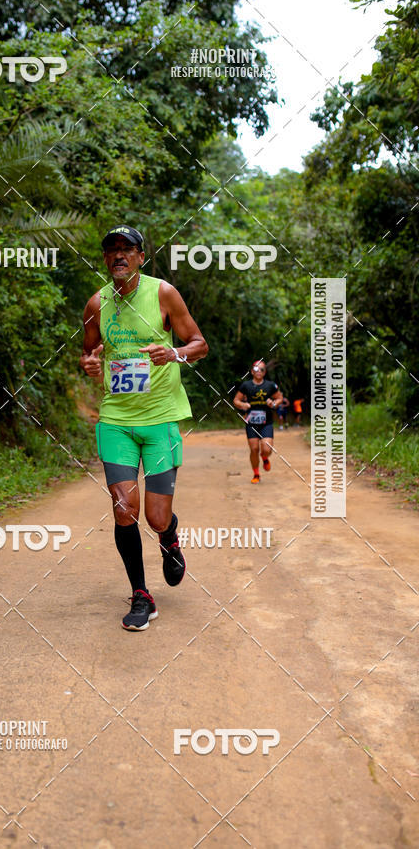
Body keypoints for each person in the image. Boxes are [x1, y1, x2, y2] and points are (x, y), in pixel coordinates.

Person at [80, 225, 208, 631]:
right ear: (105, 259)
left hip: (160, 420)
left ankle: (168, 537)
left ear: (140, 256)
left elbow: (199, 345)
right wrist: (89, 364)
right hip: (116, 419)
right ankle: (141, 595)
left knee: (154, 517)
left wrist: (173, 353)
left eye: (126, 249)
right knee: (123, 509)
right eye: (111, 250)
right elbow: (88, 351)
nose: (119, 256)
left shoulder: (163, 294)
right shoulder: (97, 304)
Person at [233, 360, 283, 484]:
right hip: (251, 423)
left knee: (266, 449)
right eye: (256, 369)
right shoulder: (246, 385)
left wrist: (274, 403)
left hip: (267, 422)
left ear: (265, 372)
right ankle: (256, 474)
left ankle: (265, 457)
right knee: (254, 449)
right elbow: (236, 401)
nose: (259, 371)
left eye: (261, 369)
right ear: (251, 371)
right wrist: (243, 405)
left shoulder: (270, 385)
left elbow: (279, 398)